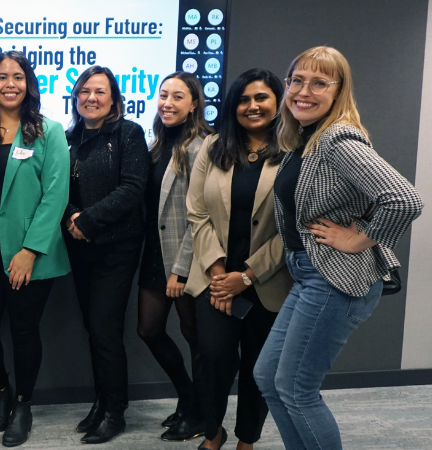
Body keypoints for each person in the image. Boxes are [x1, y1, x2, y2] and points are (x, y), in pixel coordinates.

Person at [253, 46, 423, 450]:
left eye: (319, 83)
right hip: (309, 274)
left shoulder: (337, 139)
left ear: (339, 90)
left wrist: (360, 238)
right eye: (296, 80)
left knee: (296, 389)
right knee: (269, 378)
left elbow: (404, 198)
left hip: (335, 278)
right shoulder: (304, 140)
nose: (303, 91)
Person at [0, 50, 70, 447]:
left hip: (27, 253)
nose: (10, 83)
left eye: (18, 77)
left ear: (29, 84)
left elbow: (56, 194)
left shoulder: (48, 131)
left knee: (24, 331)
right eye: (2, 76)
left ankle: (23, 406)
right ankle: (1, 393)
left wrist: (30, 250)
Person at [186, 69, 293, 450]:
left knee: (259, 370)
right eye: (244, 99)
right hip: (214, 281)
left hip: (269, 282)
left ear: (277, 102)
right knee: (211, 359)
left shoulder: (295, 152)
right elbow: (196, 213)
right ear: (233, 105)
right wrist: (219, 274)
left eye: (261, 98)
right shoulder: (213, 147)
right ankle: (213, 432)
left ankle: (247, 440)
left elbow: (294, 227)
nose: (252, 106)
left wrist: (245, 277)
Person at [59, 66, 148, 445]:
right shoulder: (68, 137)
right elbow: (56, 189)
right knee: (92, 328)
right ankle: (100, 402)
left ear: (113, 99)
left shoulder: (128, 133)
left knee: (105, 330)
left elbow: (132, 188)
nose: (90, 98)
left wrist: (88, 220)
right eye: (84, 91)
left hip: (117, 246)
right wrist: (69, 218)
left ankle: (116, 412)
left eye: (99, 91)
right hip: (80, 249)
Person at [137, 71, 213, 442]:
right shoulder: (157, 143)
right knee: (148, 330)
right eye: (163, 94)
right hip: (154, 253)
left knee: (193, 336)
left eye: (178, 96)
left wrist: (180, 271)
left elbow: (201, 215)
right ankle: (188, 398)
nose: (167, 102)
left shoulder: (203, 146)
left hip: (187, 259)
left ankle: (200, 413)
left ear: (194, 103)